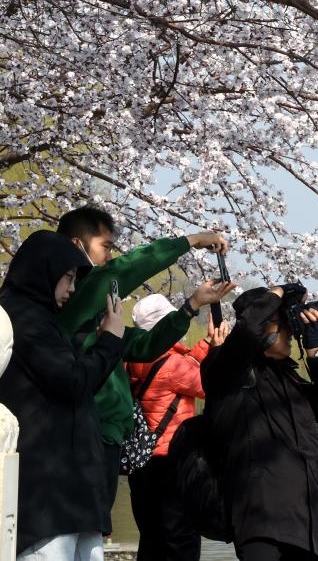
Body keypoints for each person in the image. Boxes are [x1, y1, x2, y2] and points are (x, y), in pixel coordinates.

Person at [54, 205, 233, 519]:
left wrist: (191, 306)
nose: (109, 257)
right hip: (90, 437)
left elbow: (145, 345)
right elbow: (126, 270)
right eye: (105, 247)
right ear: (76, 246)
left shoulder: (91, 314)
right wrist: (191, 240)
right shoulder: (82, 296)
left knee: (91, 536)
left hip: (108, 439)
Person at [201, 285, 318, 560]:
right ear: (263, 332)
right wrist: (278, 293)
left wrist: (315, 354)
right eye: (284, 325)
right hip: (262, 522)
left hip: (309, 524)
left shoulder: (289, 380)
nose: (292, 333)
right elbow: (246, 332)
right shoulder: (231, 375)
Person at [0, 230, 124, 559]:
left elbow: (73, 384)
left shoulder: (41, 319)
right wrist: (110, 341)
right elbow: (72, 382)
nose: (71, 289)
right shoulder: (21, 317)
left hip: (70, 495)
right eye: (67, 278)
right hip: (48, 496)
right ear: (44, 270)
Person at [126, 295, 230, 561]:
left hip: (143, 464)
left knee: (151, 538)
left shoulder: (134, 358)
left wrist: (207, 343)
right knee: (181, 539)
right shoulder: (171, 365)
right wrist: (220, 350)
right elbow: (211, 383)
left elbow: (187, 366)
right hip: (171, 462)